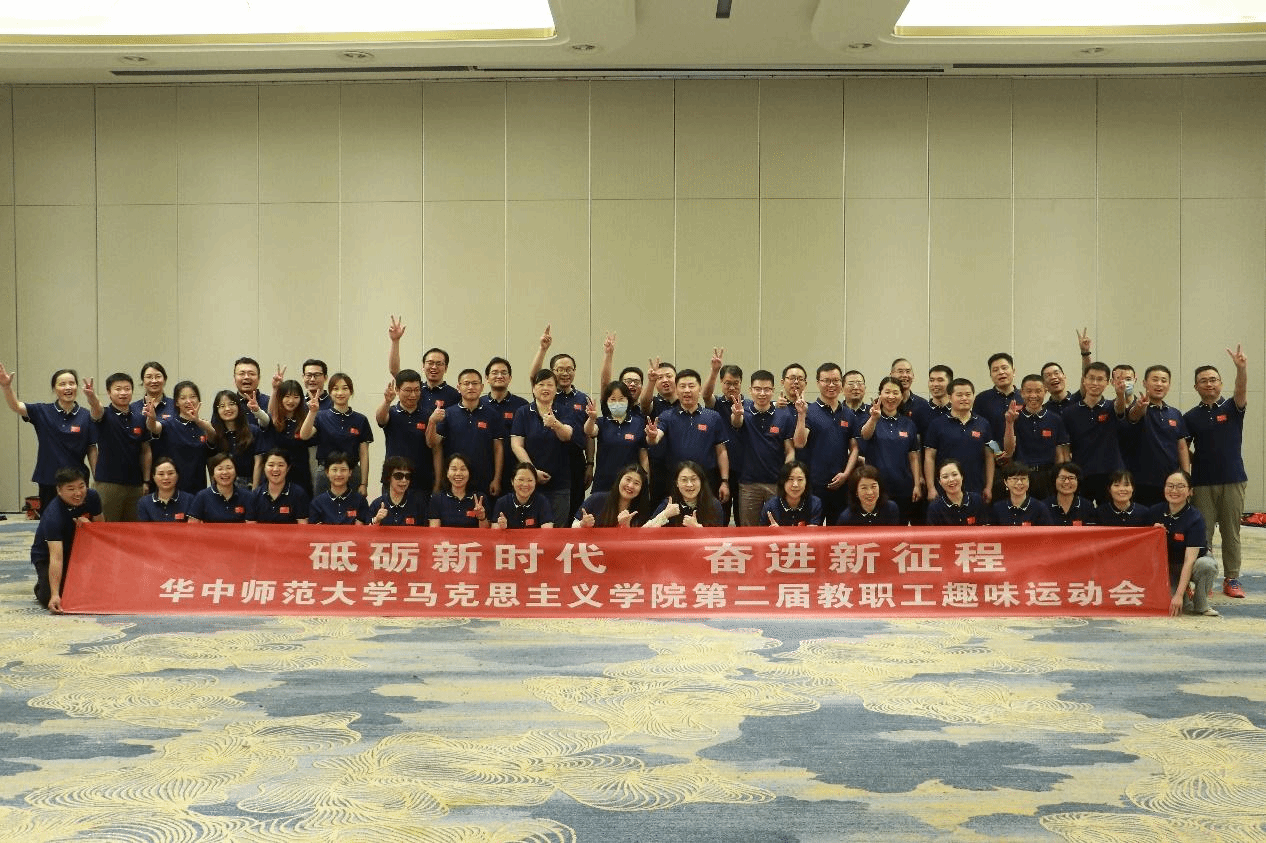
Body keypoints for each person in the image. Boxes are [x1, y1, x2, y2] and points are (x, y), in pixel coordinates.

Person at [1185, 346, 1249, 598]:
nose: (1209, 384)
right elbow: (1183, 448)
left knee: (1231, 532)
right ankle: (1205, 579)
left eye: (1213, 379)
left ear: (1221, 383)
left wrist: (1241, 369)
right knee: (1203, 533)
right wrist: (1197, 462)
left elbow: (1241, 390)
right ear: (1196, 387)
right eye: (1203, 381)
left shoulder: (1232, 407)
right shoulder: (1190, 417)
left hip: (1233, 479)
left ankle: (1232, 578)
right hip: (1202, 482)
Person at [0, 364, 98, 513]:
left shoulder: (86, 416)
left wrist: (97, 476)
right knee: (50, 520)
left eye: (72, 383)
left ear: (77, 387)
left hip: (77, 481)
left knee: (78, 521)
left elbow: (91, 448)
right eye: (62, 384)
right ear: (54, 389)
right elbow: (16, 406)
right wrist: (6, 386)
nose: (68, 387)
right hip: (48, 478)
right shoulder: (42, 411)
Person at [387, 316, 460, 492]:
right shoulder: (415, 388)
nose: (434, 367)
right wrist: (395, 341)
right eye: (430, 363)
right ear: (423, 366)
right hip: (410, 460)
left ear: (446, 368)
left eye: (439, 364)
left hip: (439, 460)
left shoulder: (454, 395)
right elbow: (395, 371)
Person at [528, 325, 593, 518]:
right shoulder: (546, 393)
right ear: (552, 371)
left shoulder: (583, 399)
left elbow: (589, 434)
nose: (565, 373)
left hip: (574, 459)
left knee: (574, 508)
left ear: (575, 371)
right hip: (548, 457)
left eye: (569, 369)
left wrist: (590, 463)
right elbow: (534, 377)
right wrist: (543, 349)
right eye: (560, 370)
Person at [644, 368, 731, 507]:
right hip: (676, 481)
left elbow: (721, 451)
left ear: (699, 389)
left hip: (707, 480)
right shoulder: (667, 416)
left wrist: (724, 481)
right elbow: (655, 438)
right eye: (682, 386)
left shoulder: (713, 417)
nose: (687, 390)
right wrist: (652, 436)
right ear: (677, 390)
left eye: (691, 386)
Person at [510, 369, 578, 526]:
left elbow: (567, 435)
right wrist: (532, 472)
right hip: (529, 482)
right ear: (534, 389)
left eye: (550, 385)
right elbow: (516, 445)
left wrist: (555, 424)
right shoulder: (523, 412)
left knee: (557, 529)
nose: (545, 388)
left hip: (560, 482)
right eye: (541, 384)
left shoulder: (564, 410)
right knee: (529, 528)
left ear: (556, 389)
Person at [793, 362, 858, 524]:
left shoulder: (849, 414)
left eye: (835, 380)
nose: (831, 385)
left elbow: (855, 448)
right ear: (818, 383)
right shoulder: (809, 410)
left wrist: (846, 474)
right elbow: (799, 443)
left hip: (841, 484)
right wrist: (801, 416)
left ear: (841, 383)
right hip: (813, 485)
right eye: (826, 381)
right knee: (811, 532)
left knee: (838, 534)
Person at [30, 466, 103, 612]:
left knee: (98, 589)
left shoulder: (92, 496)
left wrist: (91, 527)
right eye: (71, 489)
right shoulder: (53, 515)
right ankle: (41, 586)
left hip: (80, 549)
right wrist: (54, 594)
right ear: (59, 490)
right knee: (52, 597)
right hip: (48, 555)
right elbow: (56, 557)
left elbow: (102, 528)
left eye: (81, 486)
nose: (78, 493)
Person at [730, 369, 797, 527]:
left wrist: (786, 477)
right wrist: (738, 414)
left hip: (776, 483)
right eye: (757, 389)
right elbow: (736, 422)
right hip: (748, 484)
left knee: (777, 528)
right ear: (750, 390)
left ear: (773, 391)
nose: (762, 393)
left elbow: (790, 450)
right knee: (749, 529)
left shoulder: (783, 415)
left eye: (767, 389)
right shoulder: (743, 412)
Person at [1151, 469, 1220, 617]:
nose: (1174, 490)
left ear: (1190, 491)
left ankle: (1201, 603)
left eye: (1180, 486)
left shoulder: (1195, 518)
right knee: (1175, 606)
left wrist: (1178, 594)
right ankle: (1185, 594)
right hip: (1167, 567)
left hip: (1191, 563)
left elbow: (1190, 560)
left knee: (1207, 565)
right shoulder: (1154, 512)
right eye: (1170, 486)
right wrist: (1152, 531)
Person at [427, 368, 504, 499]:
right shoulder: (448, 414)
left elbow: (498, 448)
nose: (471, 387)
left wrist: (497, 479)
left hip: (484, 480)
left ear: (482, 387)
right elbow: (433, 443)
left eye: (475, 383)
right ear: (459, 387)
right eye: (466, 383)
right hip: (454, 480)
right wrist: (432, 422)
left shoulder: (493, 414)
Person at [1061, 361, 1128, 507]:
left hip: (1111, 473)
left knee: (1110, 514)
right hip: (1081, 473)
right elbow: (1065, 447)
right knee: (1081, 515)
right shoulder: (1069, 412)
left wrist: (1120, 394)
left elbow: (1120, 408)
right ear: (1084, 380)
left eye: (1100, 379)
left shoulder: (1112, 406)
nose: (1095, 383)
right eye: (1091, 378)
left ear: (1108, 382)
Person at [84, 372, 149, 522]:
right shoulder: (104, 415)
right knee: (107, 528)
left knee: (133, 530)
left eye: (127, 389)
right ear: (109, 392)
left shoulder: (140, 417)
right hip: (108, 484)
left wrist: (146, 481)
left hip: (135, 485)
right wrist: (91, 397)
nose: (123, 393)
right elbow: (96, 407)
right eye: (118, 389)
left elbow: (145, 451)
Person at [1124, 364, 1190, 506]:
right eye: (1155, 379)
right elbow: (1134, 415)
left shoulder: (1175, 413)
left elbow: (1182, 448)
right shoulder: (1136, 407)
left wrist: (1186, 477)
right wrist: (1140, 407)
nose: (1159, 384)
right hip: (1140, 483)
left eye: (1164, 380)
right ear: (1144, 383)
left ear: (1169, 385)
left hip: (1170, 483)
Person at [859, 376, 921, 524]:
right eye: (887, 392)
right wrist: (874, 418)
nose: (891, 397)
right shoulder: (870, 418)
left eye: (895, 392)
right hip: (876, 489)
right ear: (880, 394)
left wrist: (917, 484)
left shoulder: (909, 424)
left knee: (901, 530)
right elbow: (865, 435)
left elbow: (913, 457)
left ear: (902, 396)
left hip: (903, 487)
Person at [300, 372, 373, 497]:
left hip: (351, 473)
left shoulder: (360, 419)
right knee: (322, 507)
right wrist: (312, 412)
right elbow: (304, 435)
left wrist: (364, 484)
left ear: (351, 391)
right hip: (325, 473)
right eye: (335, 389)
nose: (340, 393)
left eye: (345, 388)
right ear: (330, 392)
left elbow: (364, 454)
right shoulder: (321, 416)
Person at [923, 378, 994, 504]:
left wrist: (988, 487)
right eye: (959, 395)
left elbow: (989, 457)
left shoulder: (984, 424)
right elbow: (929, 457)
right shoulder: (937, 424)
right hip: (945, 488)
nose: (964, 398)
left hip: (976, 487)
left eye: (968, 394)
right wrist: (931, 488)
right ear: (950, 397)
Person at [1001, 375, 1070, 500]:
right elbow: (1008, 451)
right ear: (1022, 393)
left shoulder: (1055, 419)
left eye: (1038, 391)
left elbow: (1061, 455)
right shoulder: (1014, 417)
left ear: (1045, 391)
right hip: (1021, 476)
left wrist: (1060, 478)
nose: (1033, 395)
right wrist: (1009, 423)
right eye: (1029, 391)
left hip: (1048, 476)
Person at [143, 380, 215, 494]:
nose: (188, 401)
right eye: (183, 398)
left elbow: (213, 436)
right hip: (172, 490)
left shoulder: (204, 426)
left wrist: (199, 421)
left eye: (193, 397)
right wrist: (151, 417)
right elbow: (154, 427)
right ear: (176, 402)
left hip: (198, 489)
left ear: (198, 400)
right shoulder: (169, 424)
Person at [377, 368, 436, 496]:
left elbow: (434, 445)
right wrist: (387, 401)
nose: (413, 395)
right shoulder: (391, 412)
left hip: (421, 480)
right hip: (394, 478)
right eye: (408, 390)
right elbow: (380, 419)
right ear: (397, 390)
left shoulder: (428, 415)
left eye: (417, 390)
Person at [584, 381, 649, 495]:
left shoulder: (639, 423)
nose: (617, 403)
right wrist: (591, 418)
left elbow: (643, 454)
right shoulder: (602, 422)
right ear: (607, 402)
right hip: (604, 483)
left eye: (621, 399)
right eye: (613, 399)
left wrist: (645, 478)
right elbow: (589, 431)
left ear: (628, 400)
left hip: (630, 484)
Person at [259, 379, 313, 495]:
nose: (291, 401)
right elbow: (268, 415)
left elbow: (307, 436)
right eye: (287, 396)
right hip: (275, 474)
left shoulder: (305, 420)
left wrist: (313, 411)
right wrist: (274, 389)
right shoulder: (274, 420)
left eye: (296, 397)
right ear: (280, 398)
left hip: (300, 475)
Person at [644, 460, 723, 527]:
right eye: (684, 480)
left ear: (701, 481)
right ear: (677, 483)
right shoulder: (669, 504)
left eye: (693, 479)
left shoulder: (713, 505)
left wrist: (698, 528)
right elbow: (644, 532)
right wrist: (665, 515)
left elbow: (719, 537)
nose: (689, 484)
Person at [572, 464, 651, 527]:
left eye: (636, 483)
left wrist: (626, 527)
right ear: (619, 480)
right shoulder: (596, 499)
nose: (630, 486)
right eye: (628, 479)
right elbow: (573, 527)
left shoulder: (642, 510)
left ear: (641, 488)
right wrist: (582, 524)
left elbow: (640, 541)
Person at [187, 453, 256, 523]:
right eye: (220, 469)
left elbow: (251, 526)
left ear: (236, 472)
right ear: (213, 473)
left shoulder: (247, 497)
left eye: (229, 468)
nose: (225, 472)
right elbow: (192, 525)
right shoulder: (202, 496)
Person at [209, 389, 257, 490]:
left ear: (239, 407)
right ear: (217, 411)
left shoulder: (253, 431)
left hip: (249, 484)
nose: (227, 409)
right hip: (222, 485)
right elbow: (211, 464)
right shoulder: (214, 435)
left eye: (231, 404)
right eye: (222, 406)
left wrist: (255, 490)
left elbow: (259, 462)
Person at [308, 452, 370, 525]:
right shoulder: (317, 503)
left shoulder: (360, 501)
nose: (339, 474)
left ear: (350, 472)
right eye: (334, 470)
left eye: (343, 470)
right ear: (327, 472)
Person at [429, 452, 489, 528]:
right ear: (447, 473)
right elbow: (434, 530)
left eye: (463, 469)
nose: (458, 473)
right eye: (454, 469)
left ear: (469, 473)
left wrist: (482, 518)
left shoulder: (480, 498)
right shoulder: (437, 499)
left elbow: (486, 533)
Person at [925, 458, 989, 526]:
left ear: (962, 476)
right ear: (939, 482)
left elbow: (985, 528)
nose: (951, 480)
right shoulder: (935, 507)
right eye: (945, 477)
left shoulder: (976, 500)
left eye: (955, 474)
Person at [252, 448, 310, 524]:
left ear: (288, 468)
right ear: (264, 467)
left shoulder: (298, 494)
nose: (275, 469)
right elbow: (251, 526)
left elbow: (303, 526)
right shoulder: (255, 495)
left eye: (281, 465)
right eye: (271, 465)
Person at [491, 461, 555, 529]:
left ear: (535, 482)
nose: (525, 484)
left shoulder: (542, 502)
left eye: (530, 480)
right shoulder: (502, 502)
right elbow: (494, 530)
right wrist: (502, 528)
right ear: (512, 481)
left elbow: (547, 530)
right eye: (521, 480)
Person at [761, 460, 824, 526]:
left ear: (806, 482)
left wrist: (813, 530)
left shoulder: (815, 504)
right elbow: (761, 530)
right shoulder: (770, 506)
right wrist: (772, 531)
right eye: (790, 479)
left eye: (800, 479)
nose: (795, 484)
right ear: (783, 482)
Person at [369, 456, 427, 526]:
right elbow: (365, 531)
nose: (404, 480)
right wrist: (376, 521)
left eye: (407, 476)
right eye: (399, 476)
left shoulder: (418, 505)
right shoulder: (376, 505)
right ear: (388, 477)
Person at [836, 464, 900, 526]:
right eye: (864, 488)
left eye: (873, 486)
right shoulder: (846, 518)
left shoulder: (891, 509)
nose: (870, 492)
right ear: (856, 492)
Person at [136, 456, 191, 522]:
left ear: (177, 476)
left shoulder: (189, 500)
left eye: (170, 473)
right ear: (153, 477)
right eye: (161, 474)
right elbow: (143, 527)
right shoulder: (144, 502)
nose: (166, 477)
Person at [1044, 462, 1095, 526]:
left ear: (1078, 481)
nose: (1066, 482)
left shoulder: (1087, 506)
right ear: (1054, 481)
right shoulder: (1044, 506)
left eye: (1071, 478)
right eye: (1062, 478)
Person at [911, 364, 954, 438]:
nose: (935, 384)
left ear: (950, 383)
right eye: (931, 380)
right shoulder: (919, 412)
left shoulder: (957, 411)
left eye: (940, 380)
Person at [231, 356, 270, 423]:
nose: (246, 377)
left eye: (251, 374)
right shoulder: (228, 405)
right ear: (234, 378)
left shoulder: (269, 402)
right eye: (242, 374)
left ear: (259, 378)